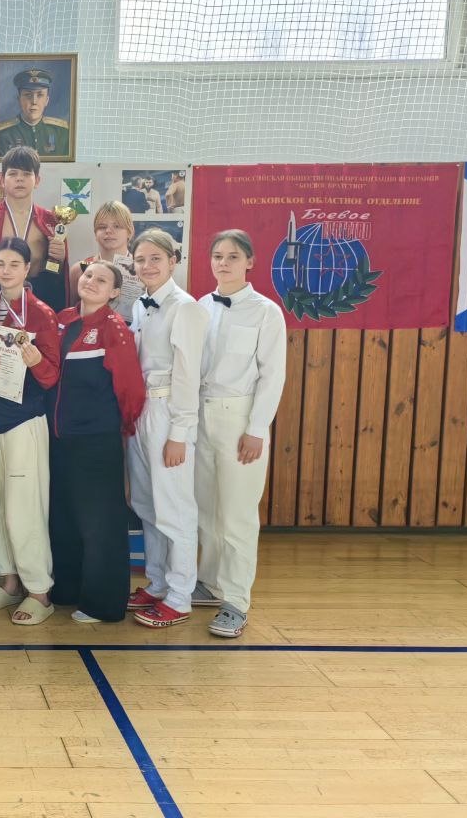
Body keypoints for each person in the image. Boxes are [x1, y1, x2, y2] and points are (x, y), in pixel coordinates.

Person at [194, 230, 287, 638]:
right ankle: (210, 582)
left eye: (233, 256)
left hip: (240, 417)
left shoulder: (266, 312)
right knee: (207, 508)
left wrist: (256, 429)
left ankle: (235, 601)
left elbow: (273, 375)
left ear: (250, 262)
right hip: (201, 414)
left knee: (237, 515)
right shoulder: (201, 306)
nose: (224, 263)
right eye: (217, 255)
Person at [49, 260, 146, 623]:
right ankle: (68, 589)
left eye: (102, 280)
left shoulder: (114, 328)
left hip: (96, 440)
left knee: (100, 524)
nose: (91, 282)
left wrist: (119, 430)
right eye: (89, 275)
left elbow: (131, 390)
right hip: (58, 439)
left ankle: (102, 604)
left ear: (115, 292)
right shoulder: (62, 319)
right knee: (64, 518)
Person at [0, 238, 61, 625]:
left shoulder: (41, 314)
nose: (5, 270)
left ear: (27, 269)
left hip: (23, 423)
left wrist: (37, 360)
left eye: (13, 264)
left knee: (24, 510)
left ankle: (39, 591)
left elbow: (52, 377)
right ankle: (9, 582)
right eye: (0, 263)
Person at [125, 228, 208, 629]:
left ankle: (180, 595)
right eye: (140, 259)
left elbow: (189, 376)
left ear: (173, 261)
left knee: (175, 508)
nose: (147, 266)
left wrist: (179, 433)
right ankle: (157, 582)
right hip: (140, 411)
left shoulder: (185, 307)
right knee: (147, 504)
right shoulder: (140, 305)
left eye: (155, 258)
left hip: (167, 411)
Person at [0, 145, 69, 313]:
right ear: (2, 180)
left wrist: (60, 260)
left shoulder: (50, 221)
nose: (20, 179)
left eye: (26, 174)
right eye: (13, 174)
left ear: (37, 180)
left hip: (38, 301)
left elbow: (56, 278)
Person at [73, 201, 144, 321]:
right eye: (102, 227)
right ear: (95, 233)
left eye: (117, 226)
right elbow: (73, 313)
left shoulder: (143, 269)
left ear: (130, 232)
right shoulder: (79, 269)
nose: (109, 231)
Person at [0, 67, 70, 159]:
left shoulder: (62, 133)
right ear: (19, 99)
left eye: (40, 95)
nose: (34, 101)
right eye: (28, 95)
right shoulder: (1, 135)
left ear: (47, 100)